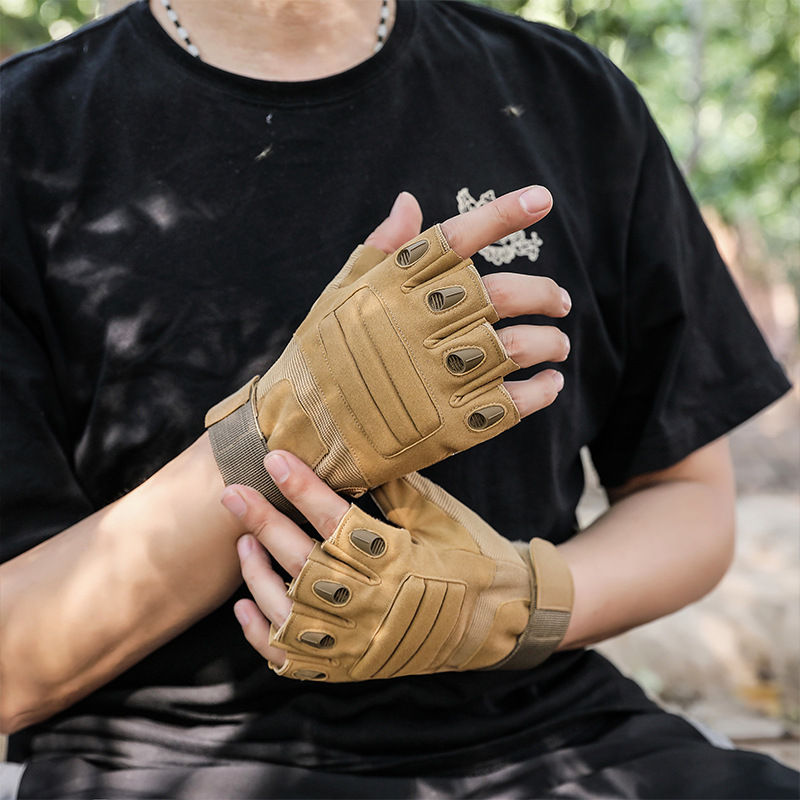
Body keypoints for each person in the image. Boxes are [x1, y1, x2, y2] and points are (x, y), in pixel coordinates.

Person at [0, 0, 796, 797]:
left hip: (552, 734)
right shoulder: (27, 134)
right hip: (163, 761)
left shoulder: (569, 93)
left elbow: (686, 499)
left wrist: (512, 606)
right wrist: (291, 431)